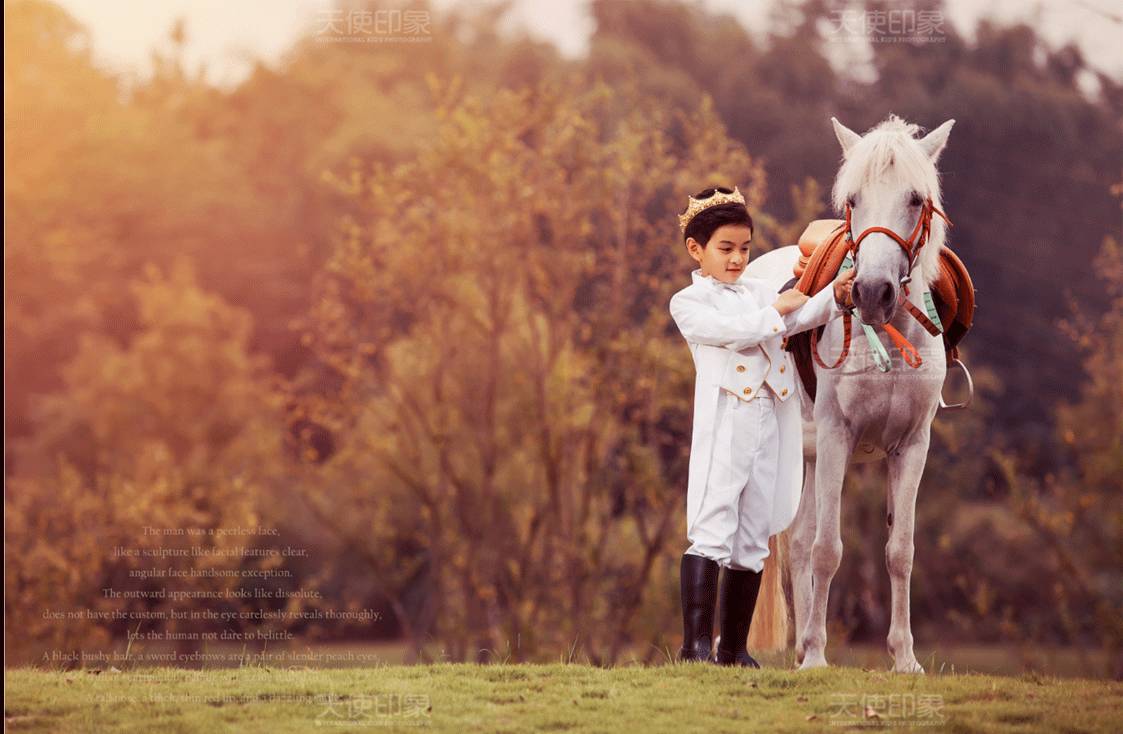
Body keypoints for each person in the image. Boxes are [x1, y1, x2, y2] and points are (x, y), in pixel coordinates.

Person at [669, 186, 854, 666]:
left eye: (745, 249)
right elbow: (741, 333)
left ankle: (733, 649)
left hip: (772, 417)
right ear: (697, 249)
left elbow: (795, 316)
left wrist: (832, 298)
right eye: (725, 249)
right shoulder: (688, 303)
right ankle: (694, 648)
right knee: (712, 527)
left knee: (755, 534)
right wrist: (780, 310)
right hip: (729, 421)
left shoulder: (757, 291)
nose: (737, 259)